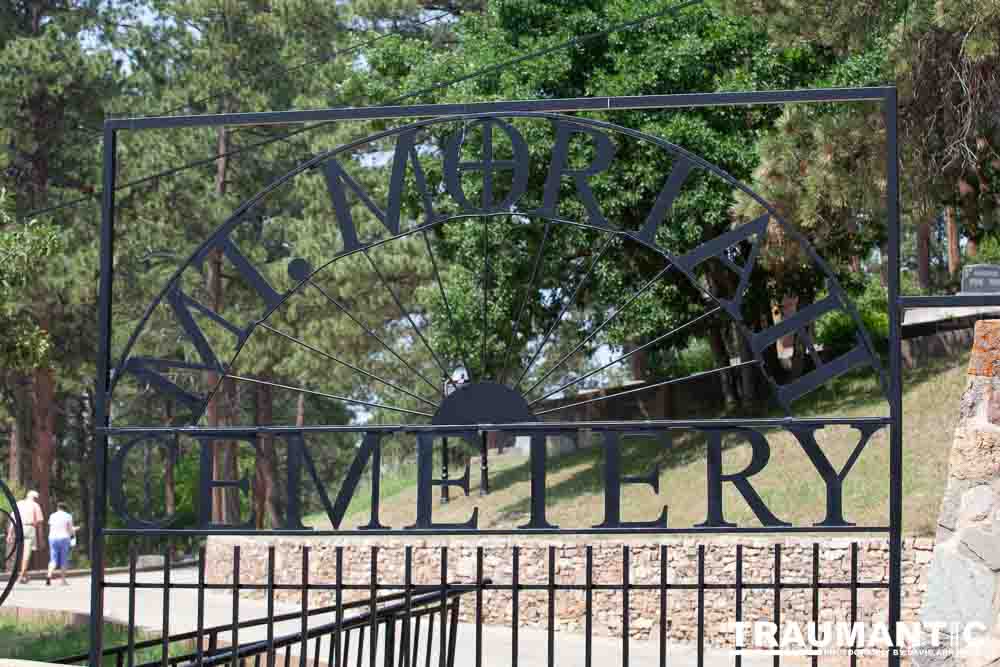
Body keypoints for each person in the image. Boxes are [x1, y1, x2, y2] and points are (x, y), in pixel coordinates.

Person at [6, 490, 44, 584]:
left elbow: (13, 519)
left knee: (19, 552)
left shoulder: (19, 504)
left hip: (18, 528)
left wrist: (10, 534)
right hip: (30, 528)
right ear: (35, 498)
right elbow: (39, 524)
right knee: (26, 553)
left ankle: (23, 574)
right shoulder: (35, 505)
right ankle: (22, 575)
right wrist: (41, 538)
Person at [46, 502, 75, 586]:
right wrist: (73, 533)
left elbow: (51, 527)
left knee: (53, 560)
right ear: (65, 508)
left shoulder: (52, 516)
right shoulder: (68, 516)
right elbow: (69, 529)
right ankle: (63, 580)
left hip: (52, 538)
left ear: (58, 508)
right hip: (64, 538)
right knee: (63, 559)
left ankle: (49, 575)